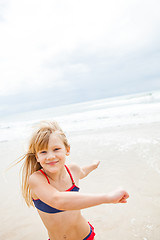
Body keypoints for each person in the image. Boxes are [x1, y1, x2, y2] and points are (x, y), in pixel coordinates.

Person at [20, 120, 129, 240]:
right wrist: (107, 198)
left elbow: (82, 171)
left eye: (56, 149)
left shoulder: (73, 170)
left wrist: (93, 165)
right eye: (43, 152)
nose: (50, 156)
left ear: (67, 150)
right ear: (37, 157)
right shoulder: (37, 179)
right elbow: (57, 200)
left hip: (86, 235)